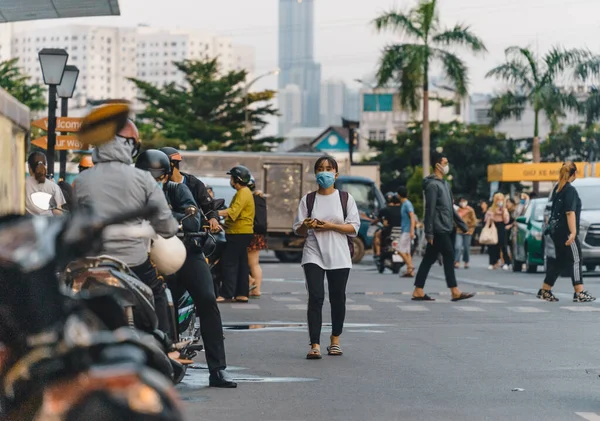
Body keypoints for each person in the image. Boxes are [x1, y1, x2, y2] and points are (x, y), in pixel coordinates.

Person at [135, 149, 236, 388]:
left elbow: (192, 217)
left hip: (186, 252)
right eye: (148, 177)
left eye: (159, 177)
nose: (154, 182)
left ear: (167, 176)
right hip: (148, 256)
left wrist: (164, 218)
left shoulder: (178, 189)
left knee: (207, 298)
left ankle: (218, 369)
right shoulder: (132, 196)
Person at [74, 120, 179, 334]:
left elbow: (75, 222)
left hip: (94, 263)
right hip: (134, 261)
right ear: (130, 145)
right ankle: (168, 348)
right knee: (158, 292)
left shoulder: (82, 180)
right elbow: (167, 227)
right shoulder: (142, 179)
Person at [293, 156, 360, 359]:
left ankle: (335, 340)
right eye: (320, 169)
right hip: (313, 253)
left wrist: (331, 226)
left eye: (329, 169)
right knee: (316, 297)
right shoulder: (308, 199)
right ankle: (314, 344)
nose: (325, 172)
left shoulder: (346, 199)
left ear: (336, 174)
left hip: (339, 255)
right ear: (316, 174)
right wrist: (307, 225)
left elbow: (354, 228)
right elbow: (298, 230)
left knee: (337, 298)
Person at [412, 153, 474, 302]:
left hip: (446, 226)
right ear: (437, 165)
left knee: (429, 258)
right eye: (445, 162)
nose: (447, 166)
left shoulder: (445, 184)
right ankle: (454, 291)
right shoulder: (433, 185)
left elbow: (451, 208)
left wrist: (462, 224)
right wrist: (429, 232)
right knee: (449, 255)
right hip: (438, 228)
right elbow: (430, 210)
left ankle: (418, 290)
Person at [538, 162, 595, 303]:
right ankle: (579, 293)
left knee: (560, 261)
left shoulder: (559, 188)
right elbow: (570, 212)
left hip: (557, 232)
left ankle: (545, 290)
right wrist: (573, 232)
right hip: (566, 232)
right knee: (576, 259)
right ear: (574, 173)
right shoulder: (570, 190)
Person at [158, 147, 221, 234]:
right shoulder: (159, 184)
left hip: (191, 234)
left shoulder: (193, 183)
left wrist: (213, 218)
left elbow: (209, 207)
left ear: (171, 164)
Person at [217, 166, 255, 303]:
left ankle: (226, 294)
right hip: (242, 232)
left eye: (231, 178)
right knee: (242, 264)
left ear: (236, 179)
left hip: (239, 232)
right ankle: (241, 293)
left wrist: (214, 214)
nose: (230, 180)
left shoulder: (243, 193)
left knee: (228, 262)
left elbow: (233, 211)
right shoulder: (245, 192)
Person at [25, 152, 65, 216]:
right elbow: (58, 212)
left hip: (27, 223)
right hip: (48, 224)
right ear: (45, 166)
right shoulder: (54, 186)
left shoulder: (22, 185)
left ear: (29, 167)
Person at [247, 176, 267, 298]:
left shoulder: (248, 198)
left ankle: (252, 282)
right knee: (255, 263)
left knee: (248, 263)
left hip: (250, 232)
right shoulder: (259, 198)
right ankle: (256, 289)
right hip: (259, 233)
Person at [485, 192, 511, 270]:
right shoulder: (491, 209)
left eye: (501, 200)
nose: (499, 201)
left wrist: (503, 212)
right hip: (493, 226)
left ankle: (507, 262)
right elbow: (486, 219)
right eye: (498, 199)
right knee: (492, 245)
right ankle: (492, 262)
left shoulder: (504, 209)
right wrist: (492, 215)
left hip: (501, 226)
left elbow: (506, 221)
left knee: (503, 244)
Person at [372, 192, 401, 259]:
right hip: (402, 232)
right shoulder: (403, 209)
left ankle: (378, 253)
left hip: (390, 232)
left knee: (377, 235)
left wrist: (372, 222)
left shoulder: (385, 210)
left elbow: (383, 222)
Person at [397, 186, 416, 277]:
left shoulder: (407, 204)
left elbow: (412, 217)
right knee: (407, 251)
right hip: (405, 230)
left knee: (399, 250)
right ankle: (410, 271)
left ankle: (410, 266)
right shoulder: (404, 204)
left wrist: (412, 230)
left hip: (407, 231)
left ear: (399, 195)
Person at [454, 197, 477, 269]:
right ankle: (456, 261)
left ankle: (466, 261)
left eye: (464, 201)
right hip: (459, 230)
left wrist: (468, 226)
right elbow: (454, 220)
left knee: (466, 247)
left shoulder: (470, 210)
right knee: (457, 246)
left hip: (468, 231)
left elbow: (474, 221)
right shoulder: (457, 210)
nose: (463, 202)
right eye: (461, 201)